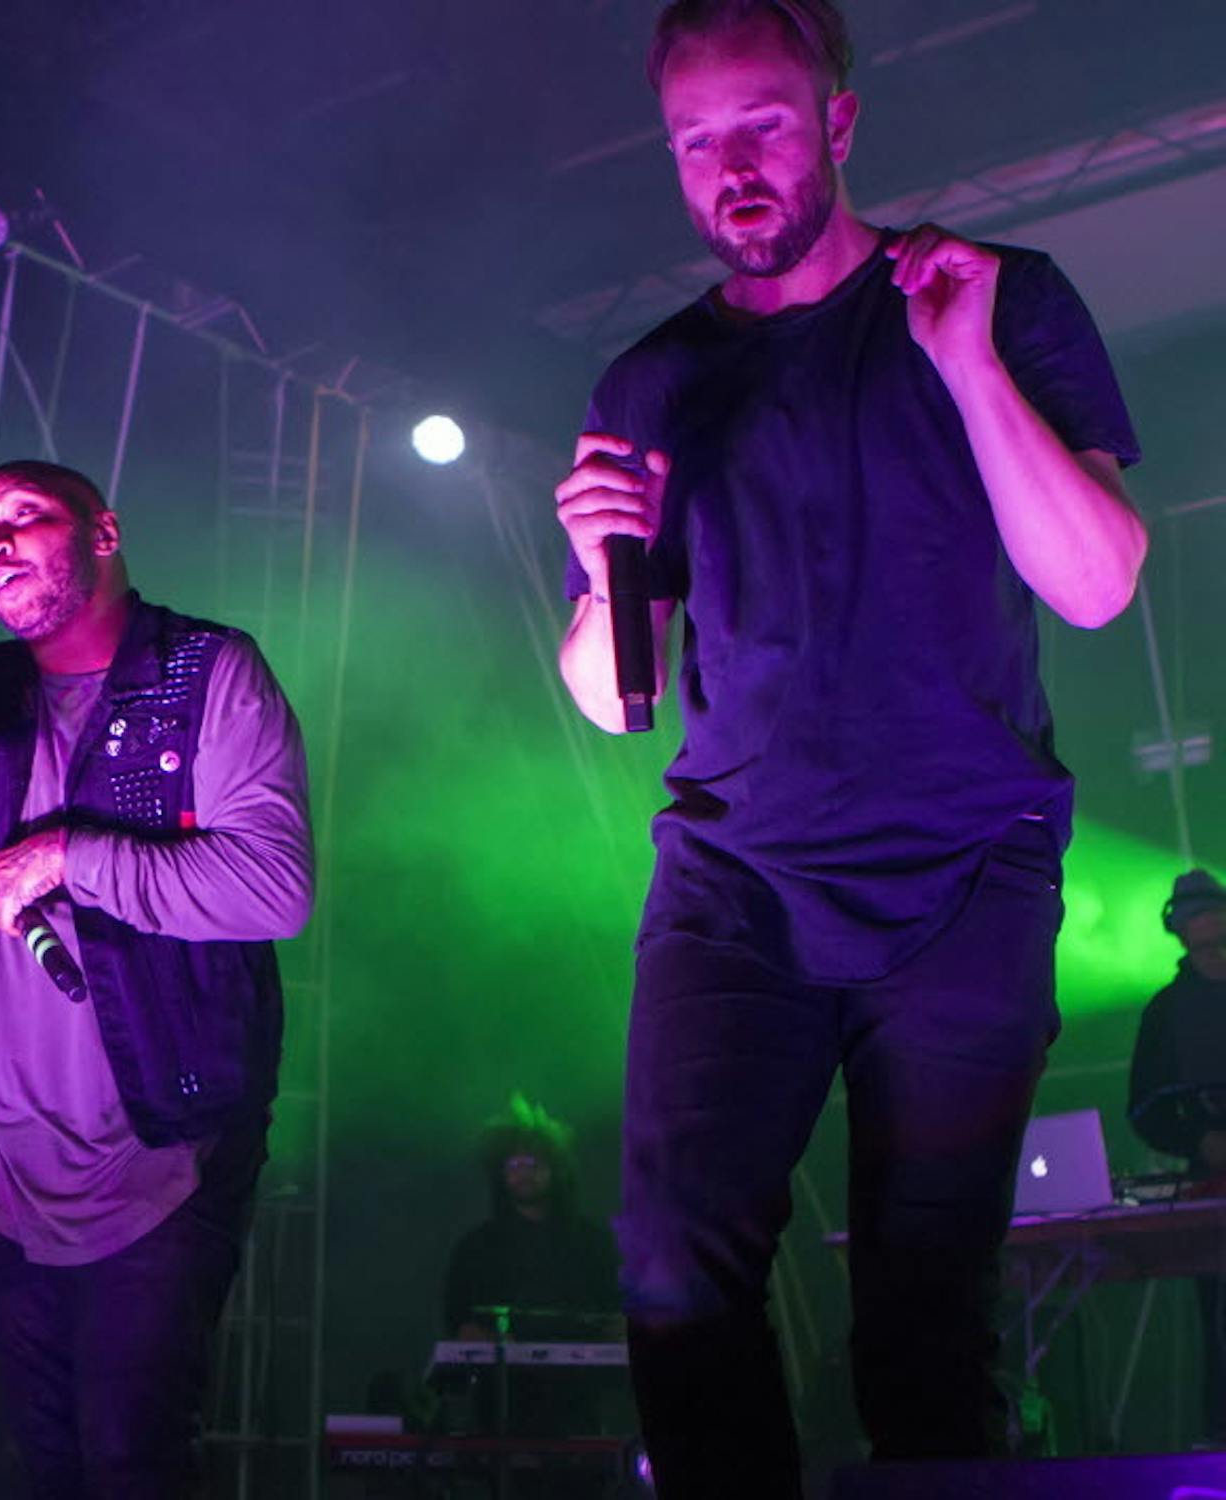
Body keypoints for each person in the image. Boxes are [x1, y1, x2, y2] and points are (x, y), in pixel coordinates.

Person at [549, 0, 1146, 1491]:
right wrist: (603, 567)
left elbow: (1096, 581)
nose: (730, 167)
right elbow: (621, 697)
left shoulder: (989, 296)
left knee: (922, 1312)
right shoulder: (648, 381)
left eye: (761, 124)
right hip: (735, 879)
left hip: (963, 867)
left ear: (838, 120)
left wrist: (970, 367)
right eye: (697, 143)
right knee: (676, 1272)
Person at [0, 459, 313, 1498]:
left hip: (167, 1146)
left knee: (132, 1460)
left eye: (22, 519)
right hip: (9, 1172)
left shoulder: (209, 669)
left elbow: (274, 889)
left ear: (104, 532)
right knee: (40, 1464)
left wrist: (71, 854)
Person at [439, 1099, 620, 1445]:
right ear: (501, 1173)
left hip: (577, 1401)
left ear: (555, 1170)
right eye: (514, 1164)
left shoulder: (591, 1243)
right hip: (503, 1402)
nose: (524, 1172)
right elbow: (458, 1321)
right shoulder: (477, 1247)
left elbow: (616, 1311)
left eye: (534, 1163)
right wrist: (486, 1340)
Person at [1129, 869, 1226, 1442]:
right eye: (1203, 939)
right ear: (1182, 935)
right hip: (1211, 1195)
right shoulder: (1166, 1013)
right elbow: (1144, 1107)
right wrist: (1201, 1143)